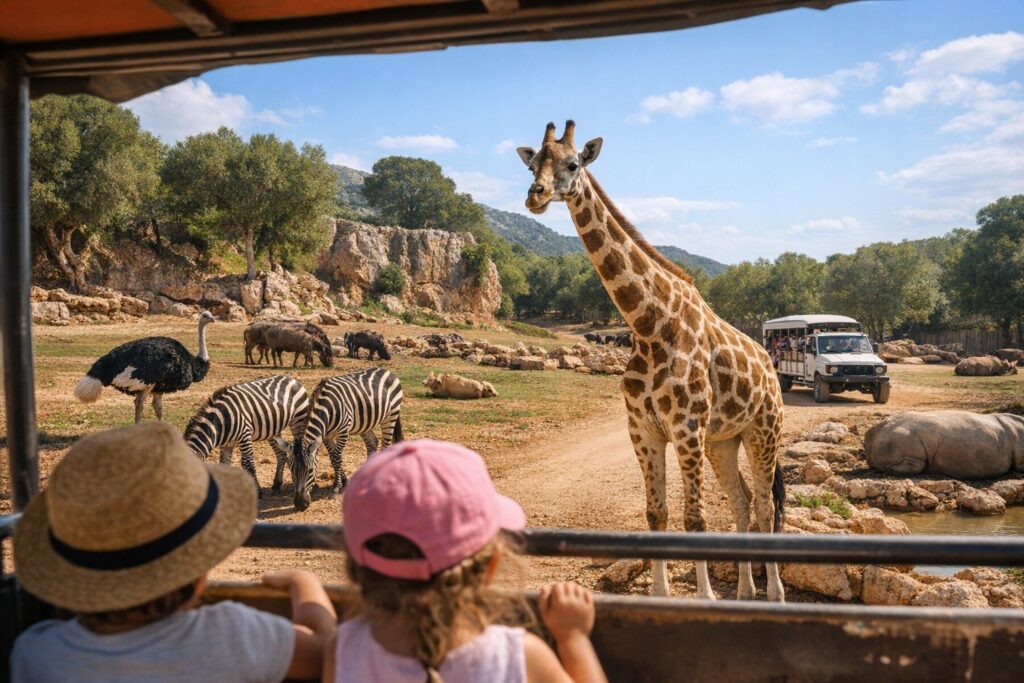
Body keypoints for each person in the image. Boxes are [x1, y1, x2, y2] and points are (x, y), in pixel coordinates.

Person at [11, 421, 336, 683]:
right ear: (198, 574)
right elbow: (327, 653)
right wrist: (303, 583)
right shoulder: (233, 634)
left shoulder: (36, 651)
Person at [326, 439, 607, 683]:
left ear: (355, 569)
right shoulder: (520, 656)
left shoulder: (343, 648)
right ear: (491, 566)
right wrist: (573, 639)